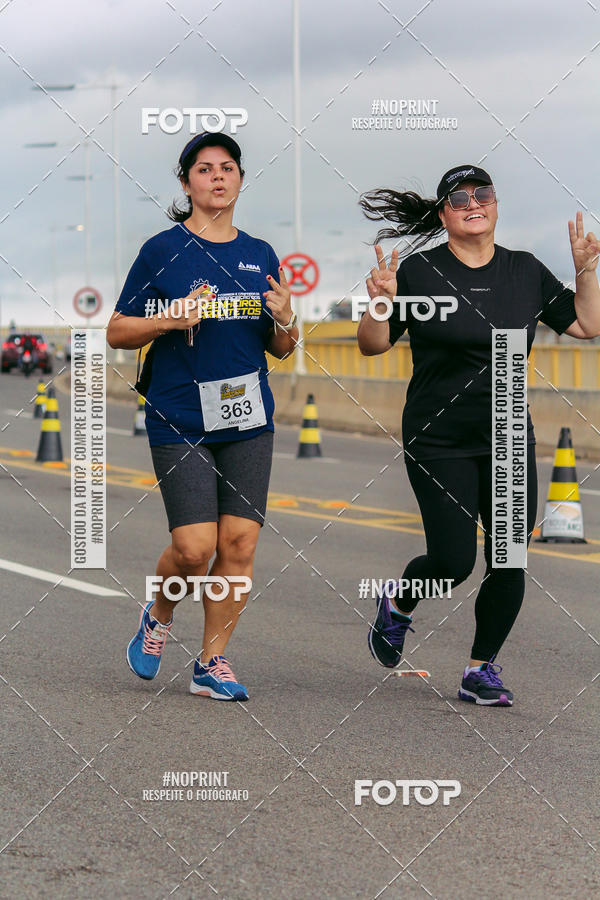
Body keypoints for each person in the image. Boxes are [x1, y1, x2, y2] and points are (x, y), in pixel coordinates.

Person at [357, 164, 600, 706]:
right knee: (452, 562)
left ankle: (479, 669)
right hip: (438, 436)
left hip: (510, 432)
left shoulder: (525, 270)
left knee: (510, 558)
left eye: (482, 193)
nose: (473, 202)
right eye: (460, 197)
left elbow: (587, 325)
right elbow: (372, 345)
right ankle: (399, 603)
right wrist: (380, 300)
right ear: (444, 213)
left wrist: (586, 271)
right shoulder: (419, 273)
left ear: (495, 204)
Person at [107, 132, 298, 701]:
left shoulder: (261, 254)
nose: (218, 177)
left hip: (246, 415)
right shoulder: (162, 250)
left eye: (229, 168)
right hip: (179, 415)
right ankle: (159, 613)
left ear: (240, 180)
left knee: (238, 543)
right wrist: (167, 318)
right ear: (187, 181)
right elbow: (117, 331)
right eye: (206, 169)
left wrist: (288, 318)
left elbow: (282, 347)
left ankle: (211, 663)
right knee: (195, 548)